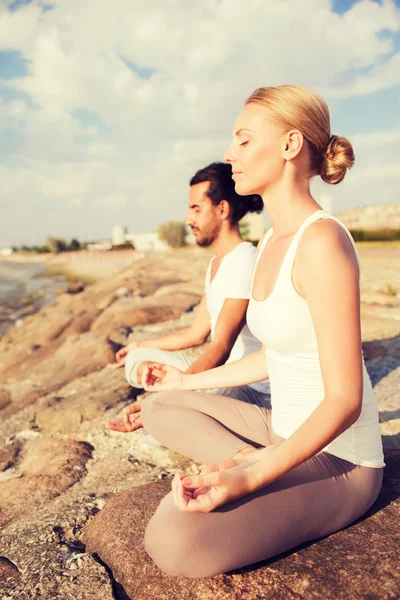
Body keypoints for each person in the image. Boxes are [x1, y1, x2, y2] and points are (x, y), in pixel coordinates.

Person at [137, 85, 385, 578]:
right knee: (157, 405)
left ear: (291, 145)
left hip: (340, 460)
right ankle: (246, 450)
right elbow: (282, 355)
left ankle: (253, 460)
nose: (230, 153)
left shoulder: (323, 243)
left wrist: (249, 478)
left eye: (244, 140)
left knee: (171, 539)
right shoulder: (272, 237)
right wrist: (183, 382)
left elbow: (344, 399)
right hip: (280, 428)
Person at [107, 162, 271, 434]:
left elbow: (220, 347)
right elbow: (196, 334)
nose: (188, 220)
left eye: (196, 208)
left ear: (222, 209)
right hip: (222, 373)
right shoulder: (218, 263)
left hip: (247, 384)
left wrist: (171, 393)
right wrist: (139, 344)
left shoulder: (244, 262)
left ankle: (171, 411)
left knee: (162, 426)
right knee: (138, 358)